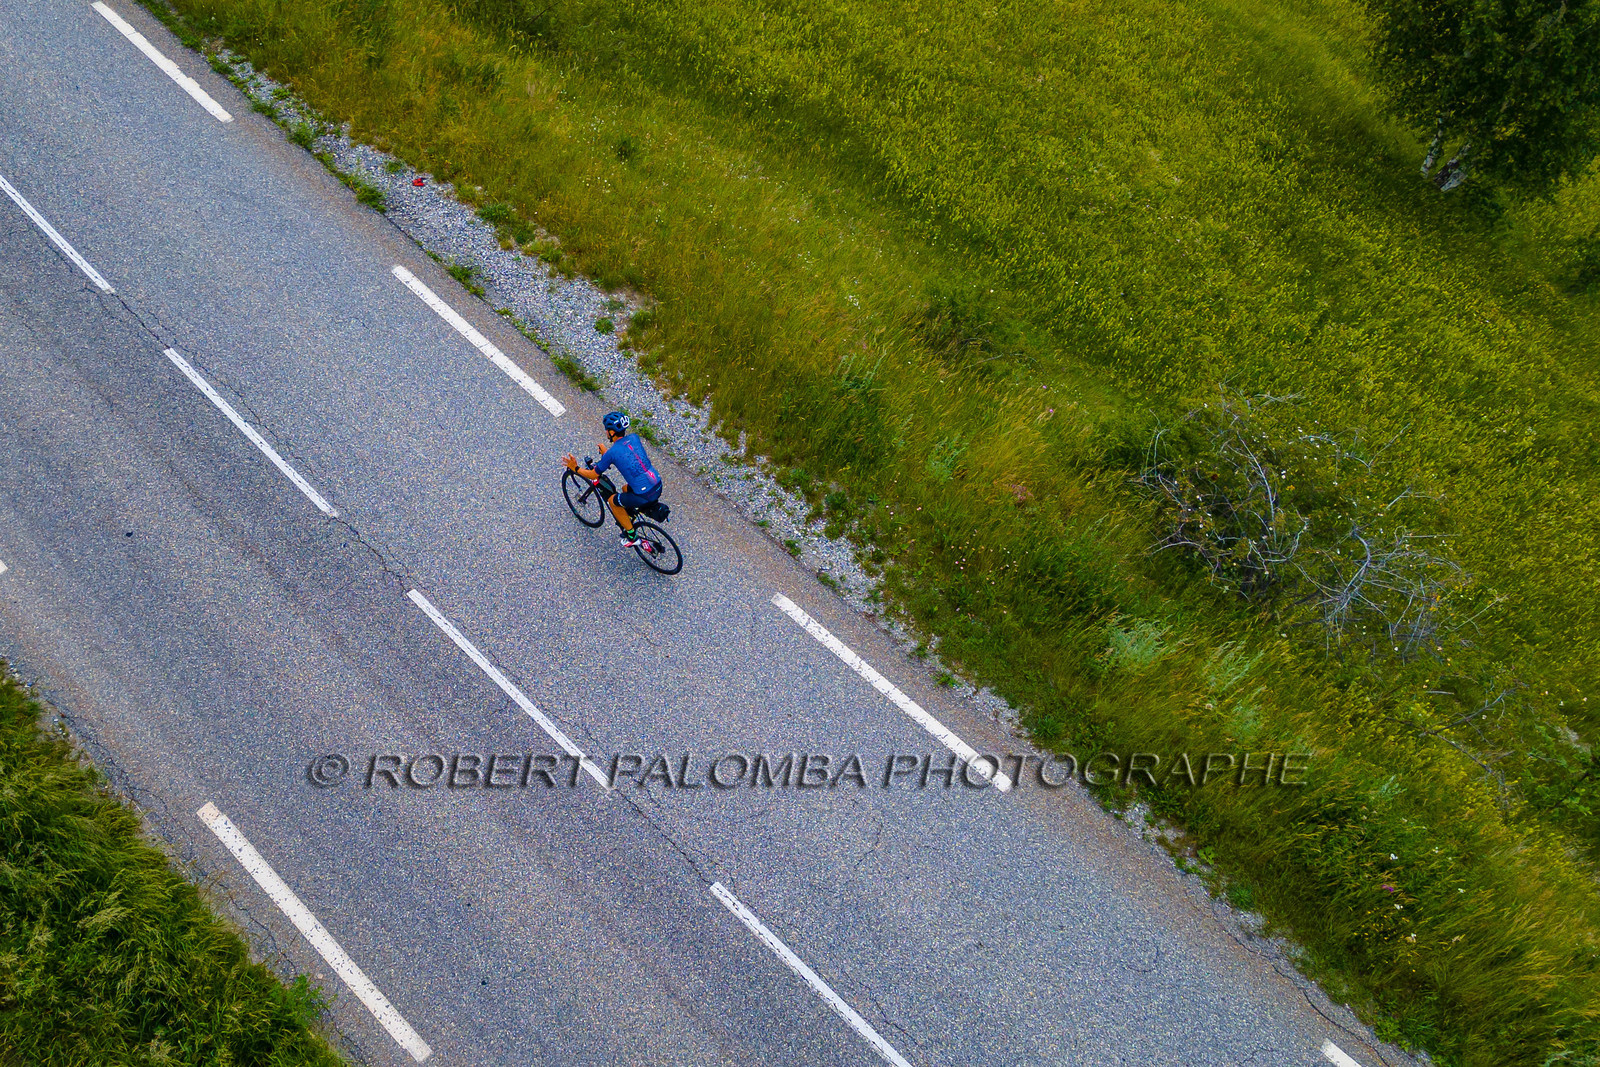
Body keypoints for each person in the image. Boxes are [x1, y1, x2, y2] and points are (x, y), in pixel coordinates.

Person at [564, 411, 663, 549]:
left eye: (606, 430)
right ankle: (629, 515)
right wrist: (607, 455)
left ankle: (632, 536)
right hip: (657, 483)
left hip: (643, 494)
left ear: (611, 432)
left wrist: (576, 468)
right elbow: (628, 457)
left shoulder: (612, 453)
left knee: (612, 501)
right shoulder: (634, 438)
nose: (606, 432)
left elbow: (593, 475)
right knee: (624, 489)